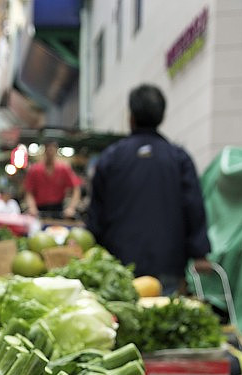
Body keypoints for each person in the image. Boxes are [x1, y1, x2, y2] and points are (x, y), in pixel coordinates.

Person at [87, 84, 211, 295]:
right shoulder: (178, 158)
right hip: (168, 264)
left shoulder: (111, 158)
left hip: (119, 266)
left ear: (131, 116)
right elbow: (194, 207)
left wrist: (92, 246)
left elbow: (96, 211)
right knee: (164, 321)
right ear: (162, 116)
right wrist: (200, 253)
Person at [24, 139, 82, 219]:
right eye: (48, 148)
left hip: (58, 209)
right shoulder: (35, 169)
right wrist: (32, 207)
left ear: (56, 150)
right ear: (44, 150)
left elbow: (76, 188)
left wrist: (71, 208)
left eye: (52, 148)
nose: (50, 151)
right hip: (39, 209)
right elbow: (29, 192)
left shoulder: (64, 168)